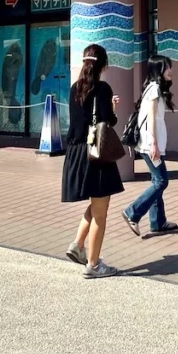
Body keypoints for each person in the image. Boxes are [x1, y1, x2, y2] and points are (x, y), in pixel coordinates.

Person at [61, 44, 124, 278]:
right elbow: (107, 123)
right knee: (101, 212)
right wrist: (113, 109)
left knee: (97, 203)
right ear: (103, 65)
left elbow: (80, 120)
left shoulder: (74, 89)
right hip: (96, 154)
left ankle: (78, 245)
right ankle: (94, 265)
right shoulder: (103, 89)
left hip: (76, 153)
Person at [122, 55, 178, 237]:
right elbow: (152, 118)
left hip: (150, 142)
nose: (170, 70)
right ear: (158, 70)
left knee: (156, 181)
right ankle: (132, 212)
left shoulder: (153, 88)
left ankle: (158, 222)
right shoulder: (154, 88)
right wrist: (154, 143)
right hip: (150, 143)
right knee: (162, 181)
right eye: (166, 67)